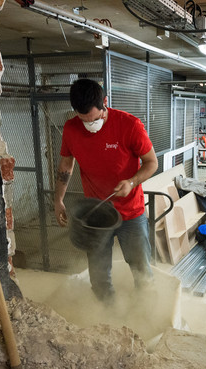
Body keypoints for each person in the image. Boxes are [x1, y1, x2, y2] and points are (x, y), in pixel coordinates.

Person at [54, 79, 158, 301]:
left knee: (141, 268)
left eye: (95, 119)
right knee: (99, 275)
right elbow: (66, 165)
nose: (91, 125)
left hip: (131, 212)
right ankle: (107, 314)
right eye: (84, 121)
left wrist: (131, 181)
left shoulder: (129, 125)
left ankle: (146, 311)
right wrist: (58, 200)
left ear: (105, 102)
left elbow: (152, 163)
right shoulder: (71, 129)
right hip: (97, 215)